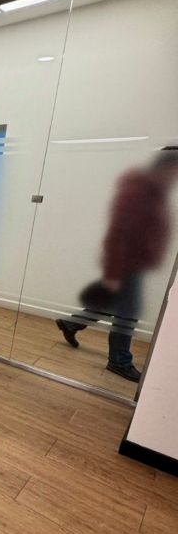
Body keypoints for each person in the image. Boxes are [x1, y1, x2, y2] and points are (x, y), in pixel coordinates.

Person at [56, 146, 178, 381]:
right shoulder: (138, 191)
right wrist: (113, 273)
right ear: (166, 167)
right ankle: (119, 361)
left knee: (113, 305)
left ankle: (71, 324)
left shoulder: (151, 191)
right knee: (128, 313)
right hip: (126, 264)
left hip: (132, 263)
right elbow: (117, 234)